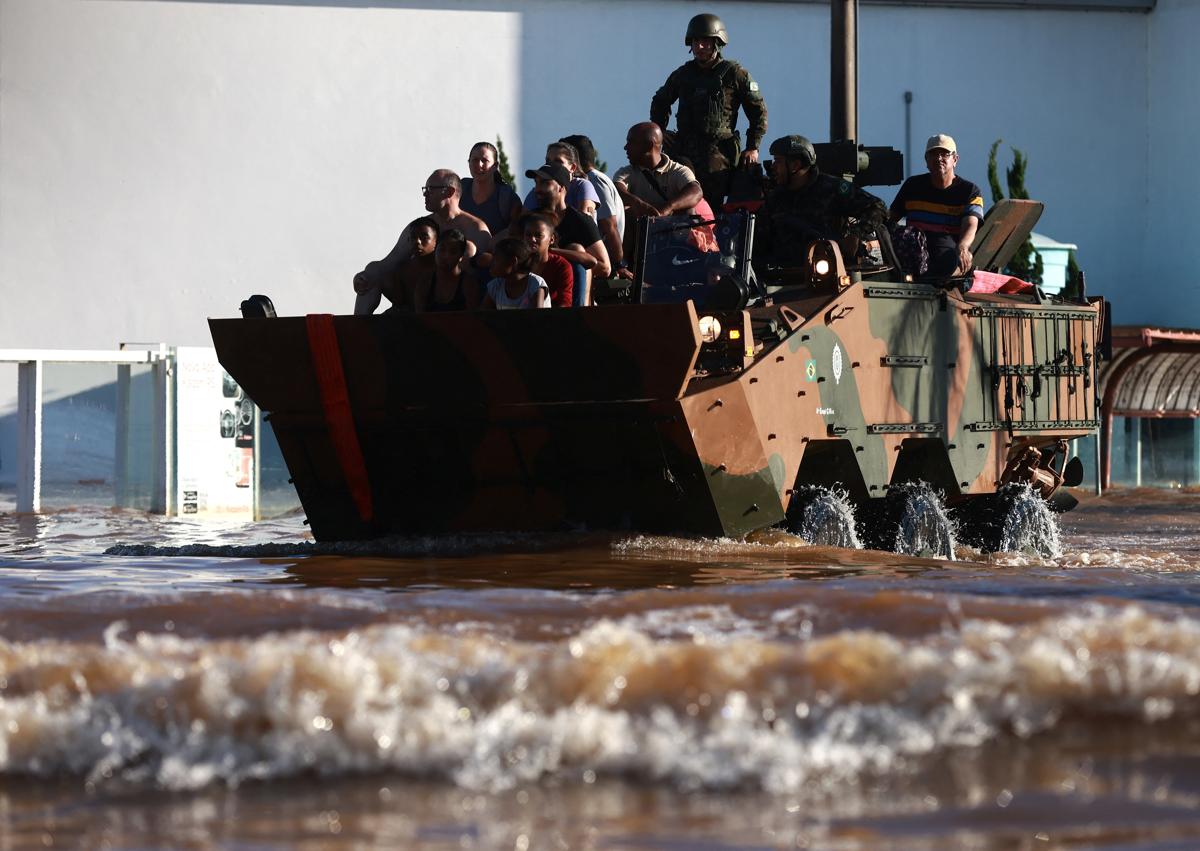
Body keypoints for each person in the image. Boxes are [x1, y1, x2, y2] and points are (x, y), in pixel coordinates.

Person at [650, 13, 768, 208]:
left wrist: (753, 147)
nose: (699, 47)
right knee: (680, 205)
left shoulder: (734, 74)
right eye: (695, 42)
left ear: (717, 43)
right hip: (684, 152)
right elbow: (660, 101)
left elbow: (758, 111)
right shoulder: (683, 74)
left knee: (714, 210)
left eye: (705, 41)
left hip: (718, 155)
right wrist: (659, 131)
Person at [353, 170, 490, 314]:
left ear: (449, 192)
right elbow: (389, 262)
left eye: (430, 189)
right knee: (370, 275)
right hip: (416, 295)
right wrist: (365, 276)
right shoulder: (421, 226)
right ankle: (357, 330)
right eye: (425, 189)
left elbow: (478, 276)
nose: (425, 194)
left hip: (454, 302)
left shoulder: (475, 228)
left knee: (468, 249)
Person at [756, 134, 888, 267]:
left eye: (778, 161)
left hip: (828, 272)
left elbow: (877, 207)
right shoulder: (775, 198)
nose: (773, 167)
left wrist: (855, 234)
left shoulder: (832, 188)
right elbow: (760, 238)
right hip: (782, 275)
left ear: (795, 165)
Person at [889, 133, 985, 278]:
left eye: (944, 154)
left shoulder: (970, 191)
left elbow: (971, 224)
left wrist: (963, 247)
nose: (938, 158)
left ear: (955, 159)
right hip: (912, 257)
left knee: (949, 261)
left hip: (946, 258)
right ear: (926, 160)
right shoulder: (912, 186)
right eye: (933, 154)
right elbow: (890, 219)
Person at [526, 161, 610, 305]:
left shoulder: (580, 221)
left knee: (576, 250)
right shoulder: (531, 220)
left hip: (570, 295)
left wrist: (555, 253)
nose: (538, 189)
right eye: (536, 183)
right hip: (535, 291)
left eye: (545, 183)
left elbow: (604, 267)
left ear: (561, 188)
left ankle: (576, 315)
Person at [560, 133, 625, 272]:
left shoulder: (594, 180)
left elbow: (609, 226)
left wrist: (618, 266)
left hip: (602, 262)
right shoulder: (592, 179)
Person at [523, 141, 600, 219]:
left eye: (558, 161)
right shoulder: (537, 191)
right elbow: (522, 224)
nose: (551, 165)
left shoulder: (582, 186)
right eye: (548, 161)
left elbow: (584, 222)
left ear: (572, 168)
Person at [459, 142, 522, 237]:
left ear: (495, 166)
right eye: (475, 160)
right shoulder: (460, 188)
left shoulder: (507, 196)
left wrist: (491, 244)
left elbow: (517, 228)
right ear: (469, 163)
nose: (479, 165)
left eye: (484, 160)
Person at [414, 228, 480, 312]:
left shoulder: (468, 284)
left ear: (461, 257)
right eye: (442, 250)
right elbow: (419, 319)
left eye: (453, 252)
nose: (446, 256)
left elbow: (473, 320)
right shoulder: (425, 282)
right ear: (435, 251)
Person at [481, 238, 550, 310]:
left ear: (513, 261)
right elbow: (481, 317)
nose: (491, 263)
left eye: (496, 259)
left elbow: (538, 319)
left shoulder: (535, 284)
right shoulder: (496, 285)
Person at [522, 213, 574, 307]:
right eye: (528, 235)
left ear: (551, 239)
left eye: (538, 235)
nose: (532, 239)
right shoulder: (517, 263)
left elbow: (564, 302)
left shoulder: (561, 266)